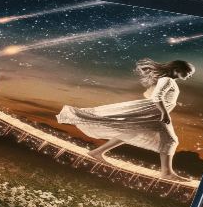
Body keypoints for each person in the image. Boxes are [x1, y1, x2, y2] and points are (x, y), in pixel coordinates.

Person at [56, 58, 195, 180]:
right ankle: (166, 172)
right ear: (177, 70)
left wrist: (170, 104)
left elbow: (150, 94)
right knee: (171, 140)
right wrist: (165, 112)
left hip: (155, 112)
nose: (189, 76)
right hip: (156, 114)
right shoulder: (168, 80)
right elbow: (157, 97)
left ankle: (96, 152)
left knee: (132, 131)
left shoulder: (167, 80)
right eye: (188, 73)